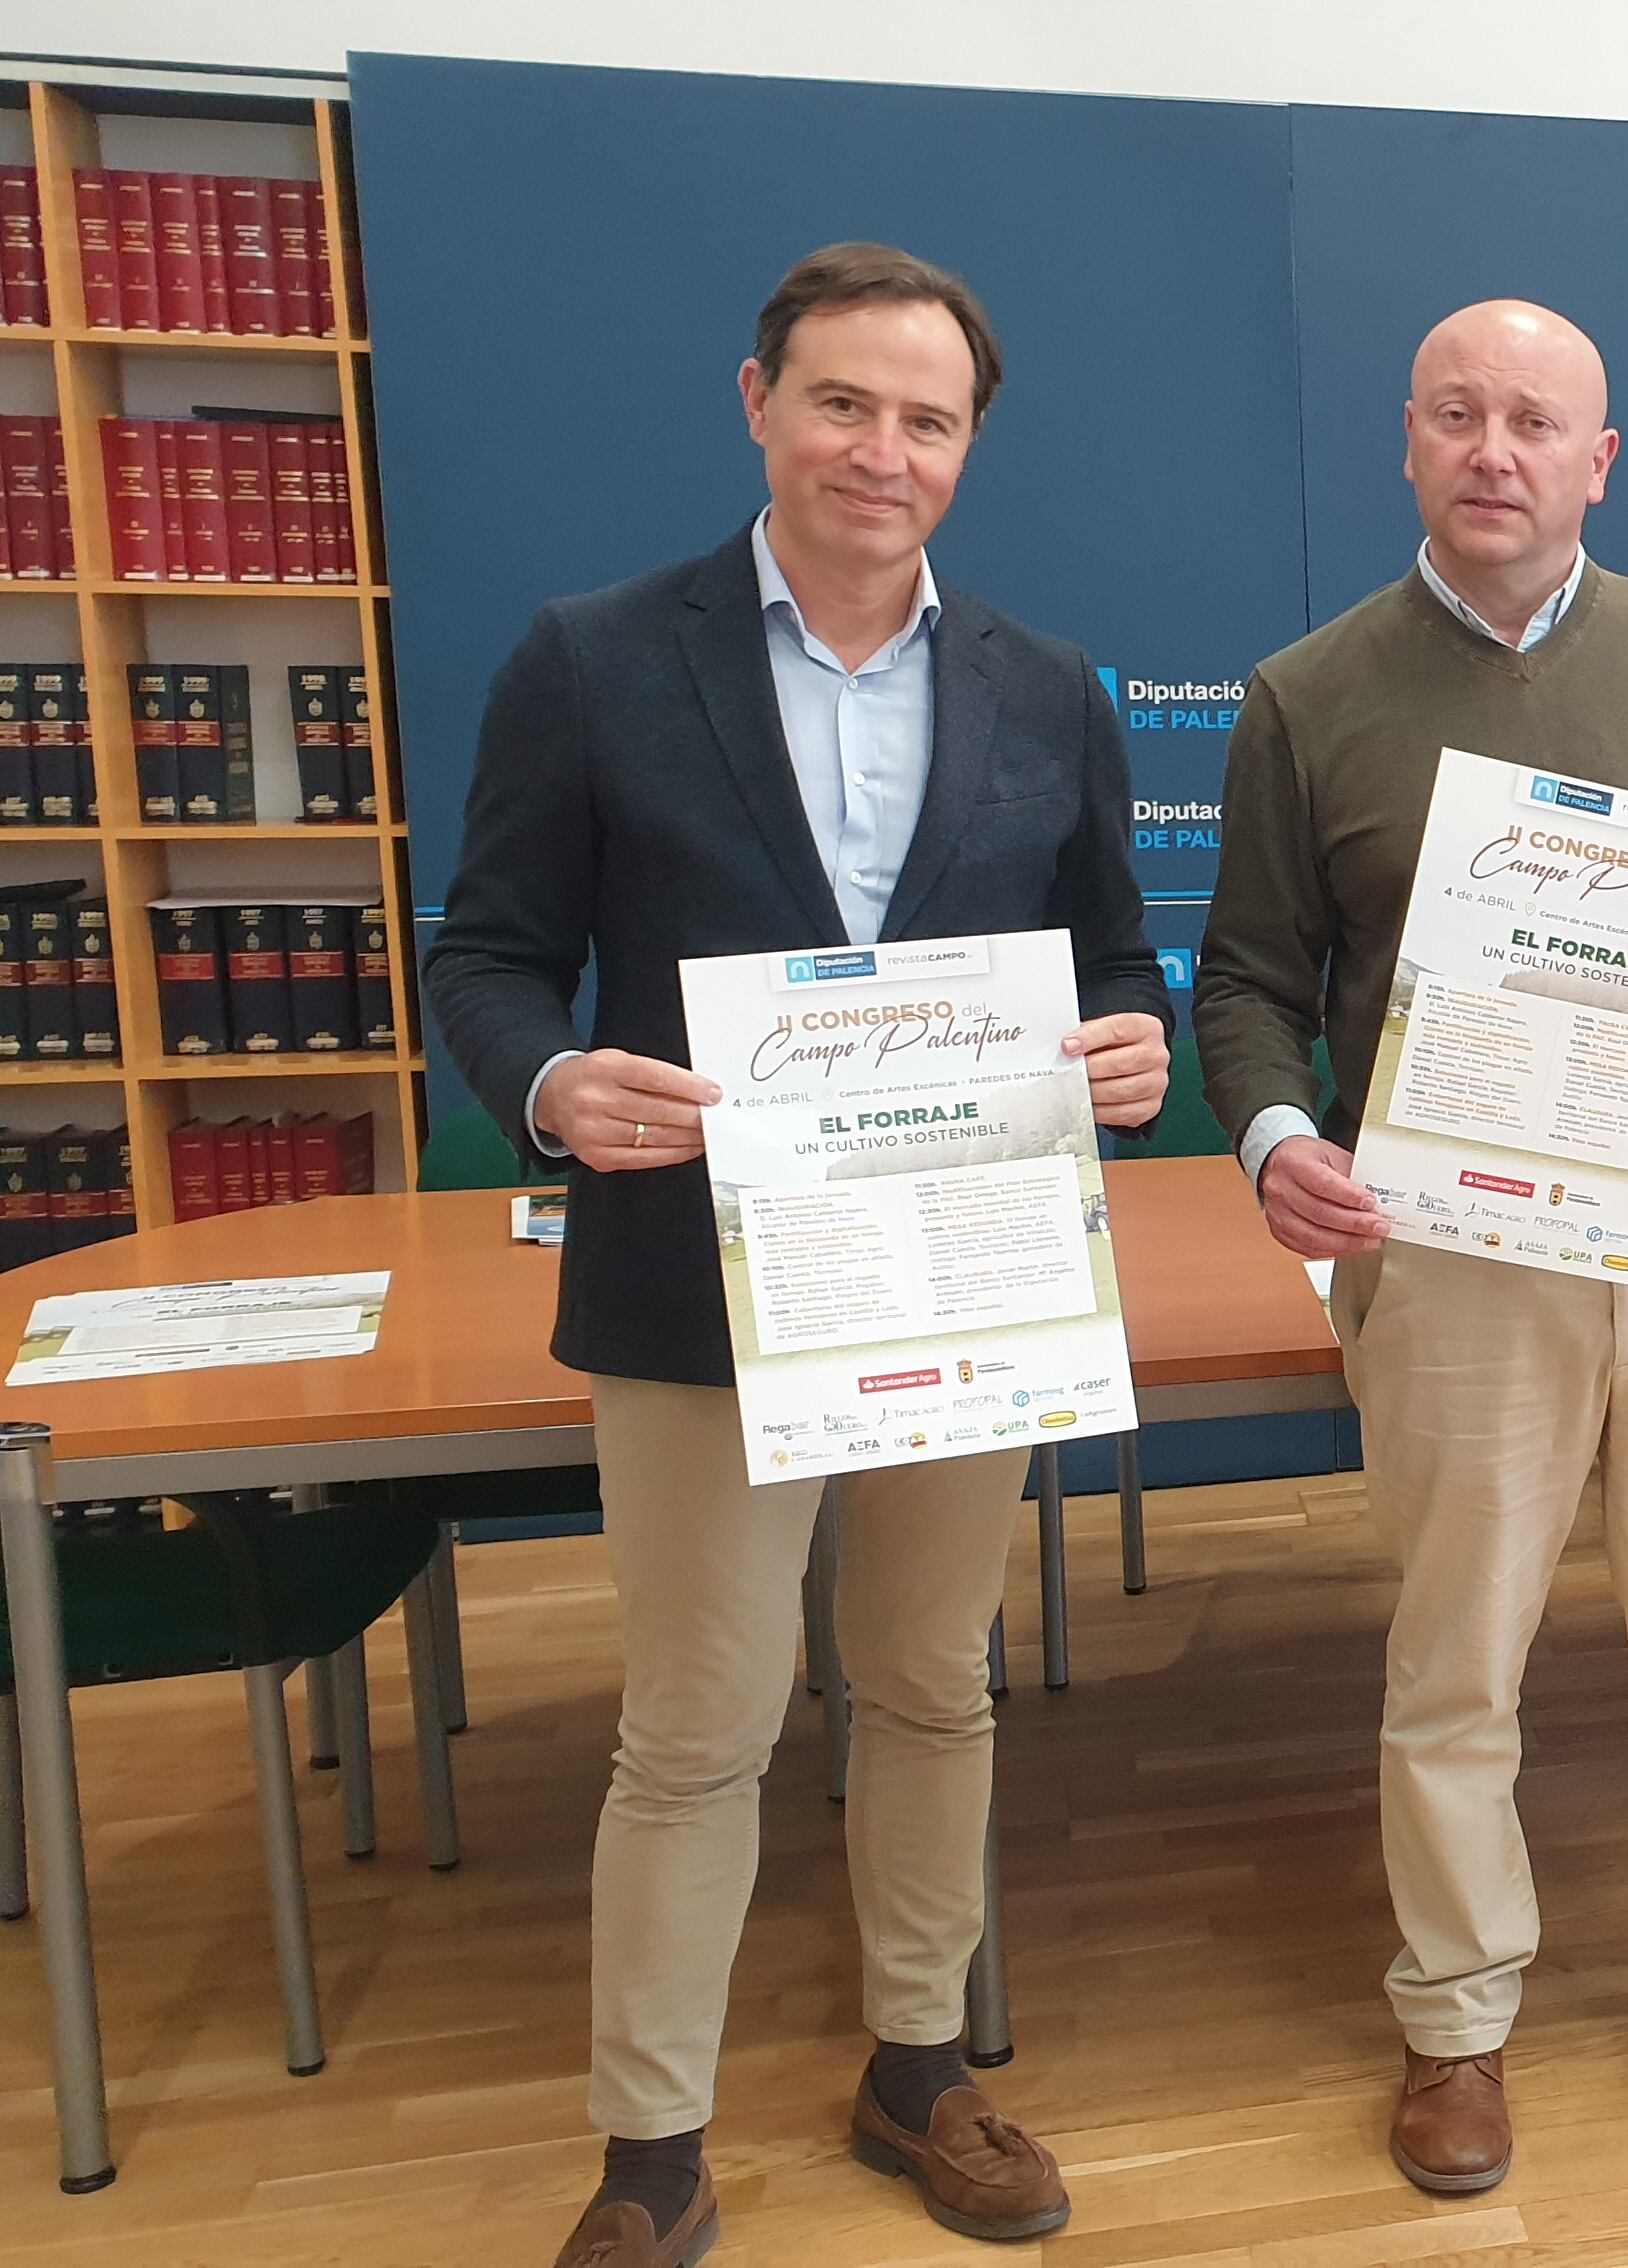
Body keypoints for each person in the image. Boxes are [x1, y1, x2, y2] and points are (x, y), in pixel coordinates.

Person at [425, 242, 1168, 2268]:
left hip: (962, 1260)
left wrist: (1134, 1041)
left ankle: (919, 2065)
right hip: (694, 1285)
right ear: (757, 401)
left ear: (967, 451)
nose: (882, 449)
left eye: (926, 420)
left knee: (933, 1682)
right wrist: (555, 1075)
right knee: (698, 1721)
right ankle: (649, 2146)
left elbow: (1107, 954)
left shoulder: (1042, 685)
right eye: (844, 402)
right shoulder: (591, 657)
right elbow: (483, 954)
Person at [1192, 299, 1628, 2197]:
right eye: (1462, 415)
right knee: (1458, 1655)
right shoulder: (1309, 690)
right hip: (1455, 1242)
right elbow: (1246, 980)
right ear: (1409, 441)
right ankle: (1456, 2016)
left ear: (1598, 460)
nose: (1499, 451)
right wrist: (1275, 1135)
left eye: (1538, 422)